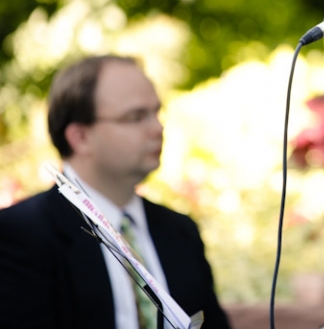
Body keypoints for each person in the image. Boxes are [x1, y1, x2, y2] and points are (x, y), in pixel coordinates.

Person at [0, 55, 231, 329]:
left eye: (156, 113)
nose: (157, 128)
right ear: (80, 137)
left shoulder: (181, 232)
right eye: (136, 117)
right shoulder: (20, 235)